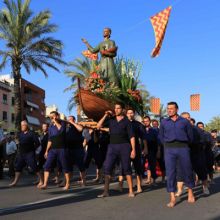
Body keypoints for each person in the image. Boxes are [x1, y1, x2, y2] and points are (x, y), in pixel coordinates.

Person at [159, 102, 195, 208]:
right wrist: (166, 145)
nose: (169, 110)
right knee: (170, 173)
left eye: (171, 108)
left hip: (183, 148)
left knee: (187, 170)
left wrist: (185, 145)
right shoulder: (164, 122)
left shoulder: (184, 122)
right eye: (168, 108)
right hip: (169, 149)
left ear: (177, 109)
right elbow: (160, 137)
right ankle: (172, 198)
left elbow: (190, 136)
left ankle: (190, 193)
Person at [97, 103, 136, 198]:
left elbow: (132, 137)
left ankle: (131, 191)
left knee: (127, 168)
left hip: (124, 146)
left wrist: (133, 150)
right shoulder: (111, 120)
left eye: (118, 108)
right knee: (107, 168)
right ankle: (106, 191)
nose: (116, 110)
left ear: (122, 110)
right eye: (115, 108)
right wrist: (105, 114)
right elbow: (98, 126)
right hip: (112, 147)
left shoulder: (127, 122)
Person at [175, 113, 209, 196]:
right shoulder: (177, 129)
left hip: (196, 153)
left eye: (188, 117)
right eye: (185, 118)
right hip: (182, 154)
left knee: (201, 171)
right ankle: (179, 190)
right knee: (180, 172)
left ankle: (205, 187)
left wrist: (194, 144)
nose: (187, 119)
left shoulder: (197, 129)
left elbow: (203, 141)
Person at [40, 111, 70, 190]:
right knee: (47, 166)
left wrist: (56, 121)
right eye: (50, 117)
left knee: (65, 166)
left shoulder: (62, 123)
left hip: (62, 149)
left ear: (57, 116)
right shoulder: (50, 127)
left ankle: (67, 184)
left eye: (53, 116)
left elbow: (61, 130)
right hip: (53, 150)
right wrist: (46, 151)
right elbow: (50, 140)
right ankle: (45, 184)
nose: (51, 118)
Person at [9, 121, 43, 187]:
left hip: (29, 154)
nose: (22, 126)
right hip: (21, 154)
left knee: (34, 167)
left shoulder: (32, 133)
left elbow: (38, 143)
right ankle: (15, 182)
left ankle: (41, 181)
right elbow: (19, 142)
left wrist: (32, 149)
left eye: (23, 125)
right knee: (18, 168)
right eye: (21, 125)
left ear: (27, 126)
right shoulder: (20, 134)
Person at [125, 108, 148, 193]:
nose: (130, 114)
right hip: (125, 148)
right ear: (126, 114)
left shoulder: (138, 124)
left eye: (131, 113)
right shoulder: (123, 124)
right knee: (125, 168)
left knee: (138, 167)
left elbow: (144, 137)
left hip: (136, 148)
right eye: (128, 113)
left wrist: (145, 148)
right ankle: (123, 186)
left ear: (134, 114)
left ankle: (139, 186)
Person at [66, 116, 86, 186]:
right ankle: (67, 183)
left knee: (81, 166)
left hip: (78, 149)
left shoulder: (78, 125)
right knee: (68, 167)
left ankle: (84, 181)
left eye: (70, 119)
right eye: (68, 119)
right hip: (69, 150)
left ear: (74, 120)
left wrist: (73, 123)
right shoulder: (67, 128)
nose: (69, 121)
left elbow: (80, 129)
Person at [143, 116, 159, 185]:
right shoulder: (142, 129)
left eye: (147, 121)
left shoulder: (154, 130)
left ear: (150, 121)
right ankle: (148, 179)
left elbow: (158, 141)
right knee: (144, 165)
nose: (146, 122)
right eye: (144, 121)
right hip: (143, 149)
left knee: (152, 165)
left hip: (152, 149)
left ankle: (153, 179)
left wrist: (159, 150)